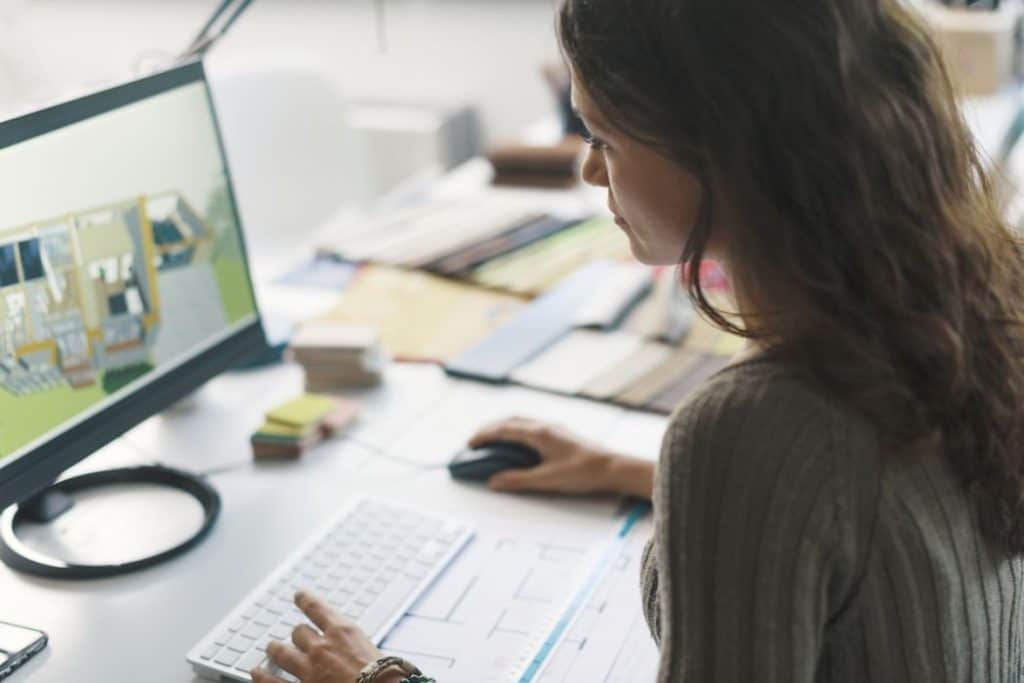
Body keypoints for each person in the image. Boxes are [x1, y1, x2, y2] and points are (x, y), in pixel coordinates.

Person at [252, 0, 1024, 681]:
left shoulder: (754, 426)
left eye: (604, 135)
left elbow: (798, 458)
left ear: (718, 146)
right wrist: (630, 470)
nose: (590, 168)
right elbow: (860, 503)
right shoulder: (979, 299)